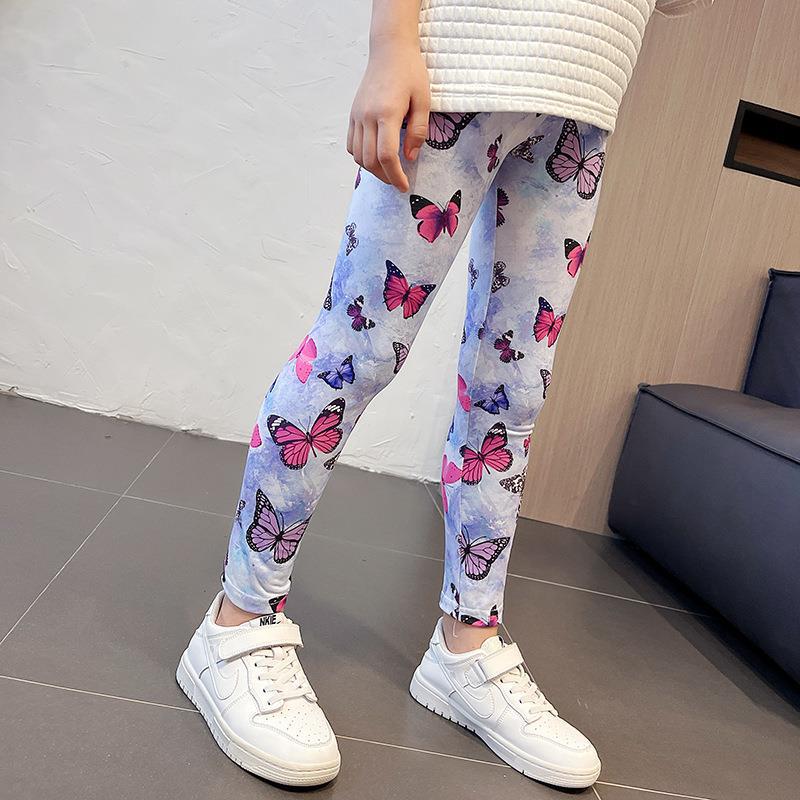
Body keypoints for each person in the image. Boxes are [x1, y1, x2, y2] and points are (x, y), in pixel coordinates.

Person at [176, 0, 715, 789]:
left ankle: (467, 644)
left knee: (512, 394)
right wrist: (391, 40)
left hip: (583, 91)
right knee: (354, 351)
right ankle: (237, 623)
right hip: (464, 61)